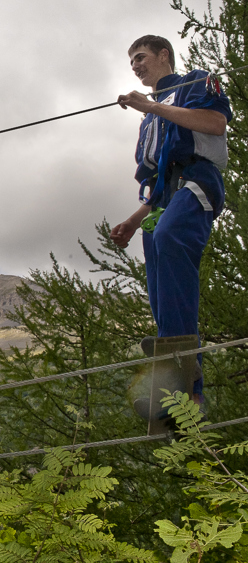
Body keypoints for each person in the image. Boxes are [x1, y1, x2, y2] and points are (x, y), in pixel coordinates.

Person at [109, 35, 232, 413]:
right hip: (164, 197)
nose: (136, 66)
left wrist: (151, 106)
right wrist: (133, 219)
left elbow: (215, 123)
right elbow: (158, 178)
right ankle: (182, 384)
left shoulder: (194, 83)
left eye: (141, 57)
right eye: (131, 62)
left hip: (197, 180)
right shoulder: (150, 117)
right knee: (159, 276)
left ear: (164, 55)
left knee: (171, 237)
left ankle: (179, 347)